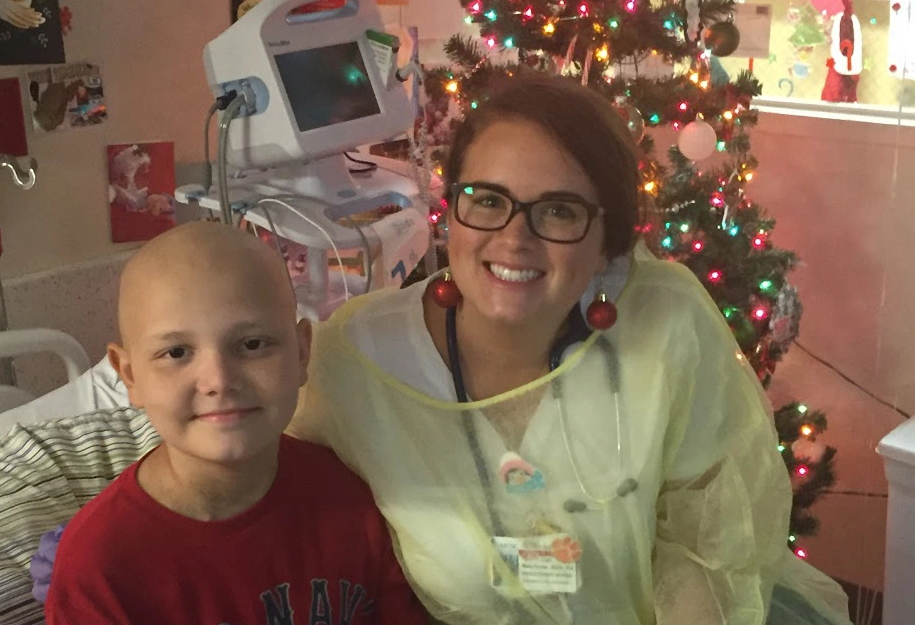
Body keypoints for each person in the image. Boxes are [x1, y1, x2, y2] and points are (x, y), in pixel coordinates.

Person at [288, 72, 853, 625]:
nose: (515, 238)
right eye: (487, 200)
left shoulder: (667, 327)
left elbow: (709, 548)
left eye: (559, 210)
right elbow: (274, 509)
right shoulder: (357, 362)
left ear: (609, 240)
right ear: (451, 210)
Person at [44, 222, 428, 625]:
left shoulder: (351, 500)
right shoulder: (101, 568)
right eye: (177, 352)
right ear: (130, 375)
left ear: (301, 353)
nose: (219, 380)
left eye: (252, 344)